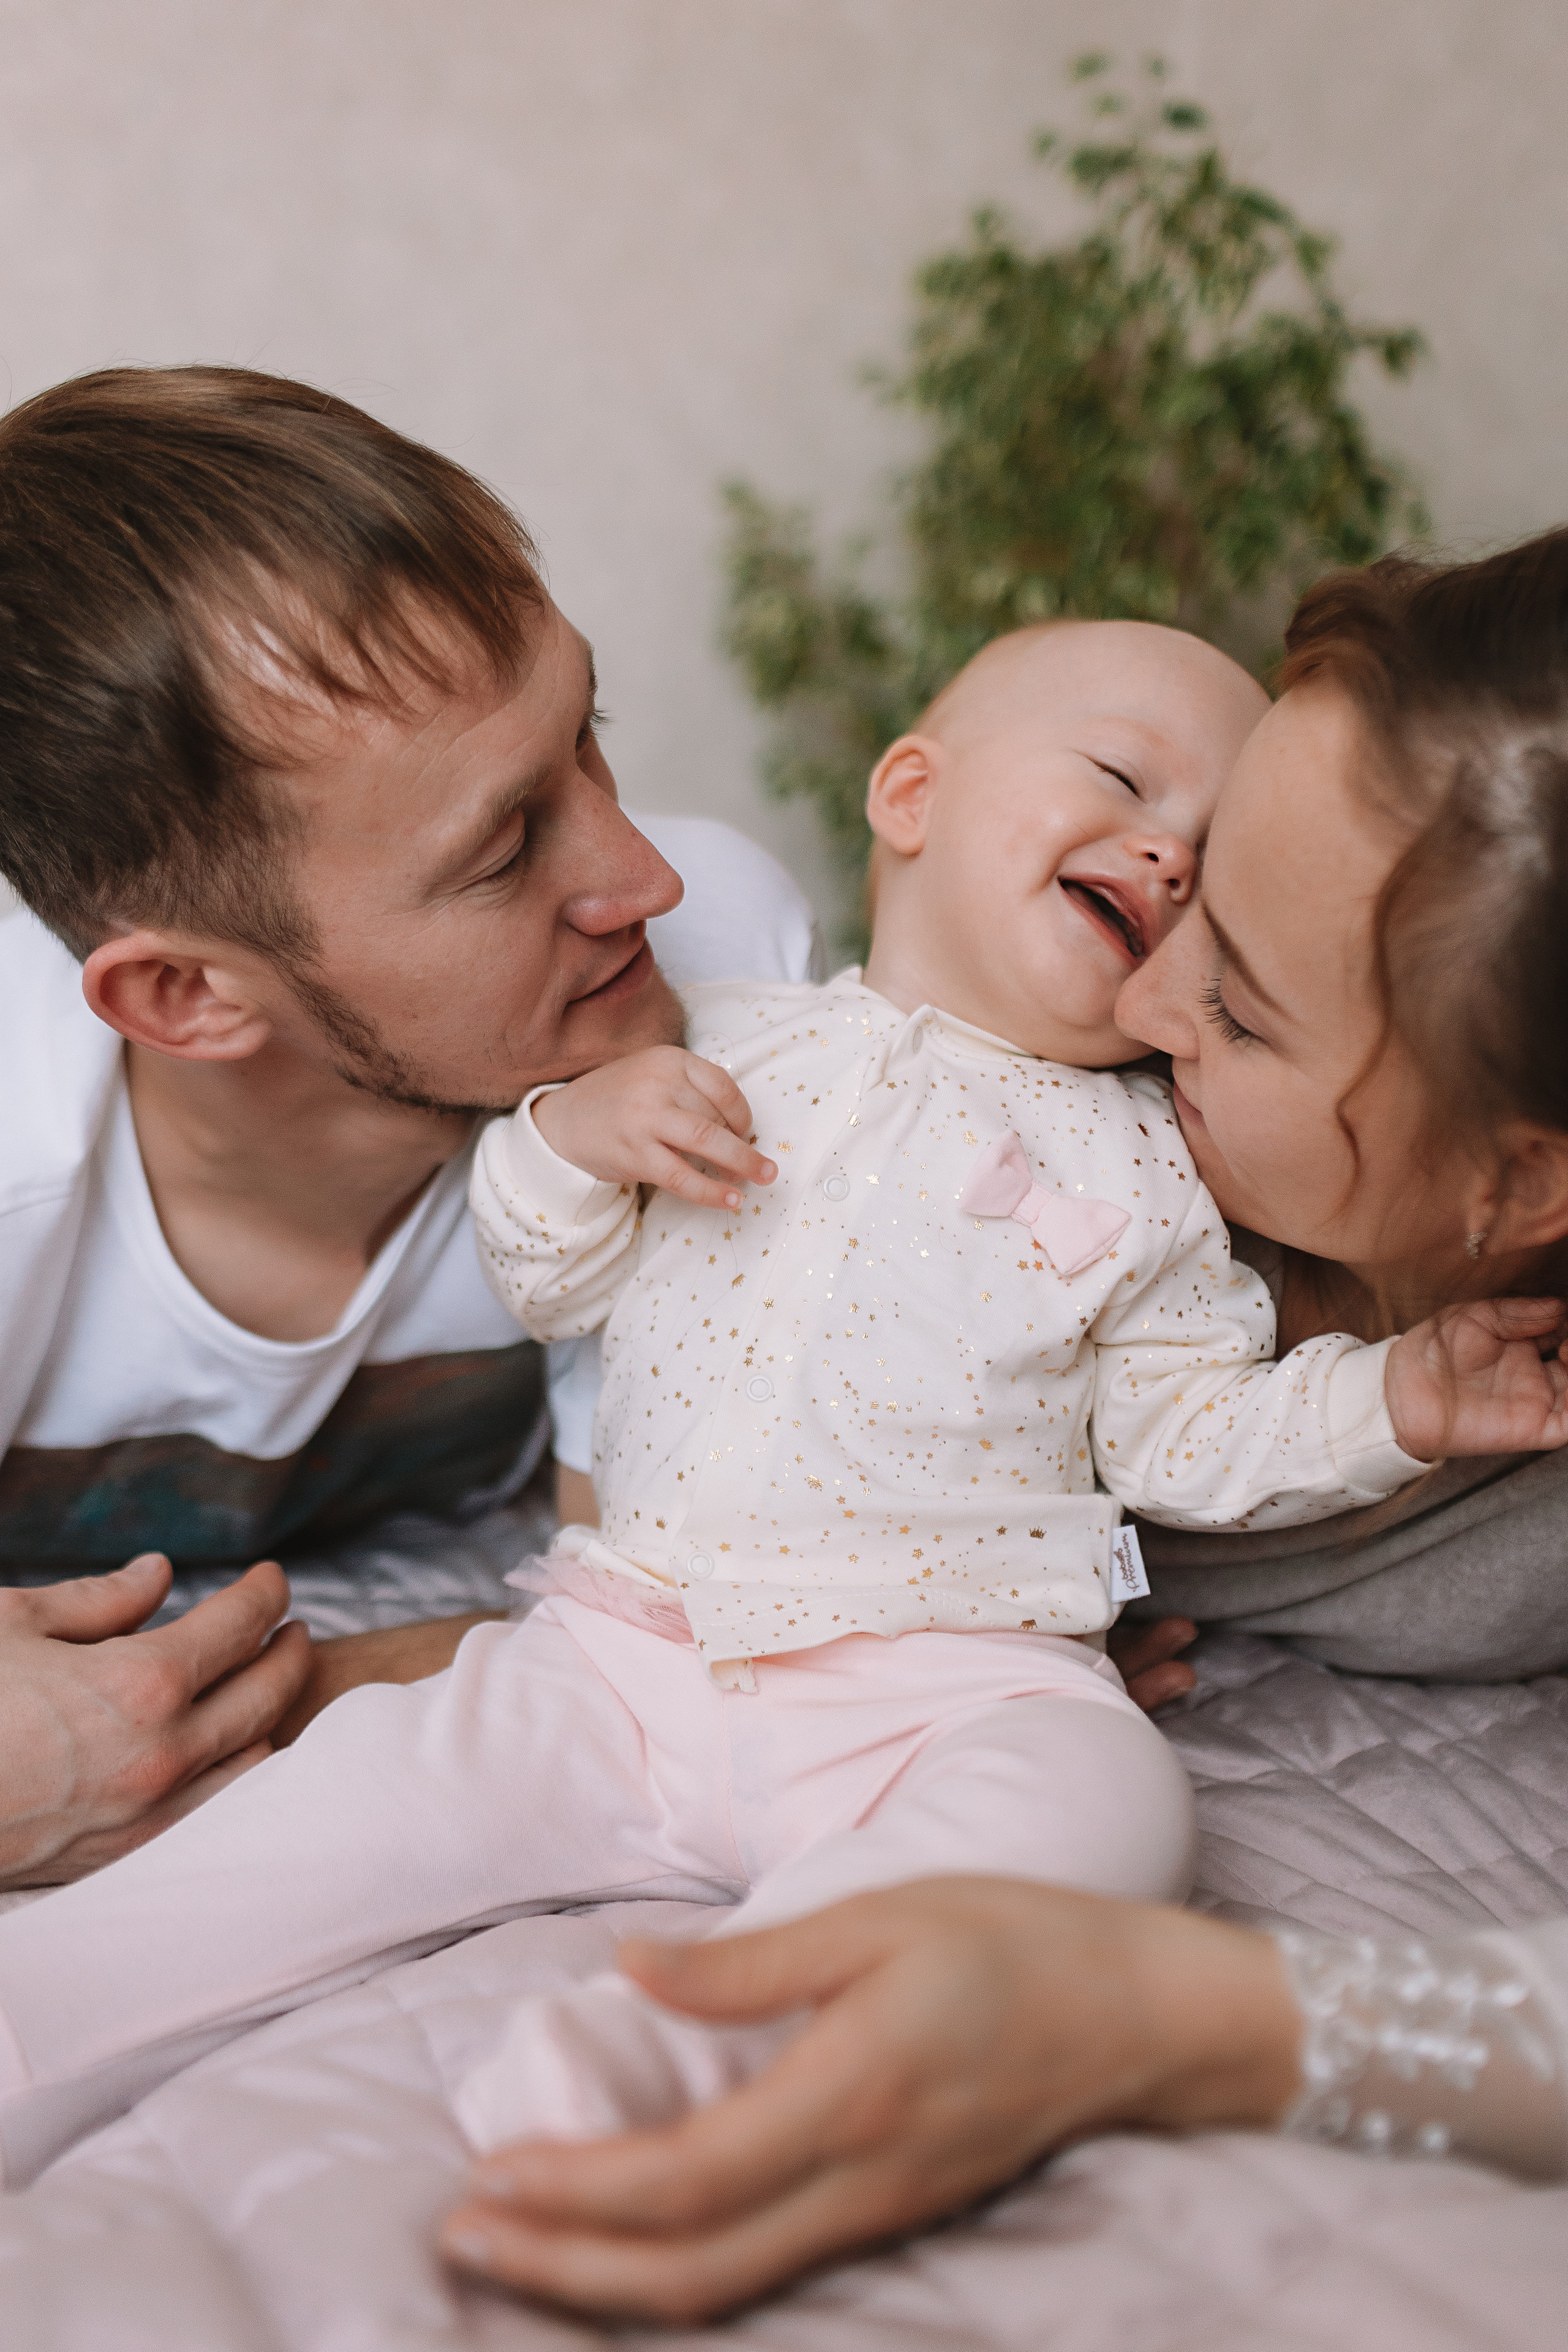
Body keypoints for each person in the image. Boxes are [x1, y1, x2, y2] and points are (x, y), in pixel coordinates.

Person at [0, 616, 1559, 2189]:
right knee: (356, 1801)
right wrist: (566, 1140)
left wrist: (1392, 1399)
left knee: (1108, 1803)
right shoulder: (715, 1033)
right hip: (626, 1647)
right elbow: (545, 1279)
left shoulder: (1161, 1177)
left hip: (953, 1683)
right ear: (909, 793)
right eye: (1117, 778)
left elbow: (1183, 1441)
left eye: (1208, 863)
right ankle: (35, 2019)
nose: (1164, 854)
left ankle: (691, 2051)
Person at [438, 527, 1568, 2315]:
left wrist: (1173, 2023)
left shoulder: (1222, 1289)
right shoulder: (891, 1095)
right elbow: (664, 1424)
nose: (1146, 999)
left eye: (1245, 1001)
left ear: (1522, 1189)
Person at [0, 363, 820, 1887]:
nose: (644, 877)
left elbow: (686, 1631)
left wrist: (212, 1719)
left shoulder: (702, 985)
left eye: (591, 731)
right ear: (185, 995)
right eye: (506, 848)